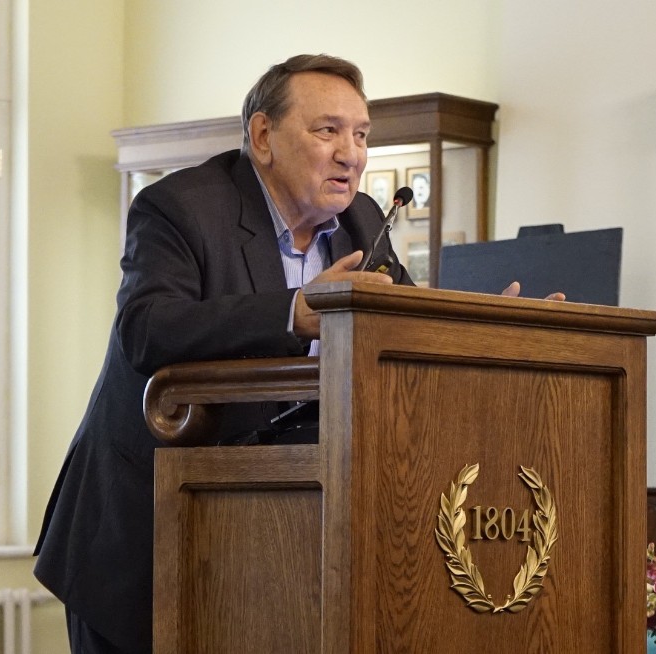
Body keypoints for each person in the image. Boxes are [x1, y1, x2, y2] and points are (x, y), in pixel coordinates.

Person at [34, 54, 559, 654]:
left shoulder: (362, 220)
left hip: (278, 541)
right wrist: (294, 311)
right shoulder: (181, 206)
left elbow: (406, 329)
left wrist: (494, 330)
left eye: (361, 135)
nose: (351, 154)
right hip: (141, 535)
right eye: (328, 130)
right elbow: (147, 329)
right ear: (263, 136)